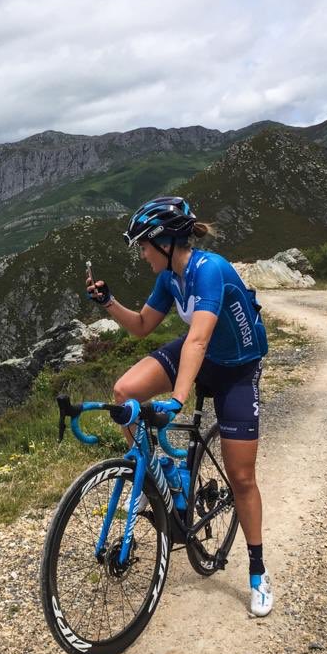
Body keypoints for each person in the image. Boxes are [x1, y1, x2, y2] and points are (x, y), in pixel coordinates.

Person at [85, 196, 273, 617]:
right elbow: (141, 327)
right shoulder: (170, 276)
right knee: (125, 392)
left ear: (165, 241)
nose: (141, 254)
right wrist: (108, 302)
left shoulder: (211, 270)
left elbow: (199, 340)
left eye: (144, 245)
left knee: (242, 477)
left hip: (237, 369)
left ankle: (259, 573)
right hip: (200, 355)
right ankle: (160, 477)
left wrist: (176, 400)